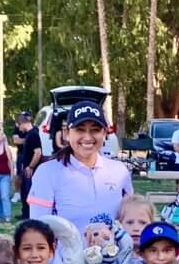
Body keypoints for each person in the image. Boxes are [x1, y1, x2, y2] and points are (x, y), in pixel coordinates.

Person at [28, 100, 133, 235]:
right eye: (80, 130)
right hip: (67, 256)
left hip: (114, 256)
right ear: (67, 133)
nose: (88, 137)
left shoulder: (119, 171)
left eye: (95, 130)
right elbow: (38, 231)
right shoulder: (47, 173)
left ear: (105, 133)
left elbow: (130, 220)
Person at [14, 111, 43, 220]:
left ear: (22, 123)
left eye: (19, 126)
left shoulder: (33, 135)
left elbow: (38, 152)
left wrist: (31, 166)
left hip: (31, 170)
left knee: (30, 194)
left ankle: (30, 216)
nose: (19, 129)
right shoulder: (28, 135)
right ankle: (25, 215)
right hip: (25, 169)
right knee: (24, 194)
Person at [117, 194, 156, 264]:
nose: (136, 228)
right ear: (119, 224)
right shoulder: (115, 254)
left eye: (142, 223)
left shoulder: (157, 255)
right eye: (130, 222)